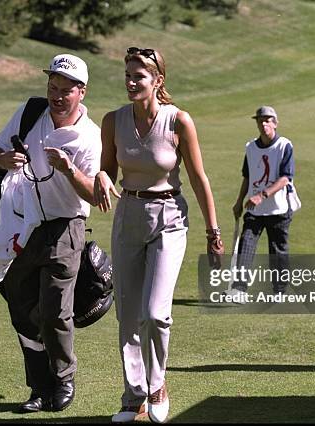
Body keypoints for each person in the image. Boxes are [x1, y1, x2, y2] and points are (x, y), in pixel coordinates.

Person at [94, 47, 224, 423]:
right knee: (128, 313)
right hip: (128, 216)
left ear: (158, 81)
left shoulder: (178, 121)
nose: (131, 82)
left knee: (155, 314)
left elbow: (199, 179)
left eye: (140, 76)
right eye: (128, 76)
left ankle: (157, 385)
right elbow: (105, 169)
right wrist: (102, 175)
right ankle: (134, 396)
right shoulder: (112, 121)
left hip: (169, 216)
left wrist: (213, 232)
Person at [0, 53, 101, 413]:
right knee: (21, 307)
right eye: (52, 87)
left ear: (81, 92)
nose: (56, 95)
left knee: (54, 309)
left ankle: (63, 378)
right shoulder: (30, 111)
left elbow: (93, 195)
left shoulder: (89, 136)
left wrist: (69, 170)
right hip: (21, 222)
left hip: (65, 226)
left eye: (65, 90)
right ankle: (39, 387)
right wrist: (2, 160)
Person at [228, 106, 296, 296]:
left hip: (279, 208)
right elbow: (247, 177)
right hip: (254, 209)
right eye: (260, 120)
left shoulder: (284, 145)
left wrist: (262, 195)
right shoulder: (251, 147)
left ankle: (280, 291)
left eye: (268, 120)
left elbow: (285, 179)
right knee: (246, 245)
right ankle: (239, 289)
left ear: (275, 123)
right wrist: (239, 201)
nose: (264, 123)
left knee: (277, 251)